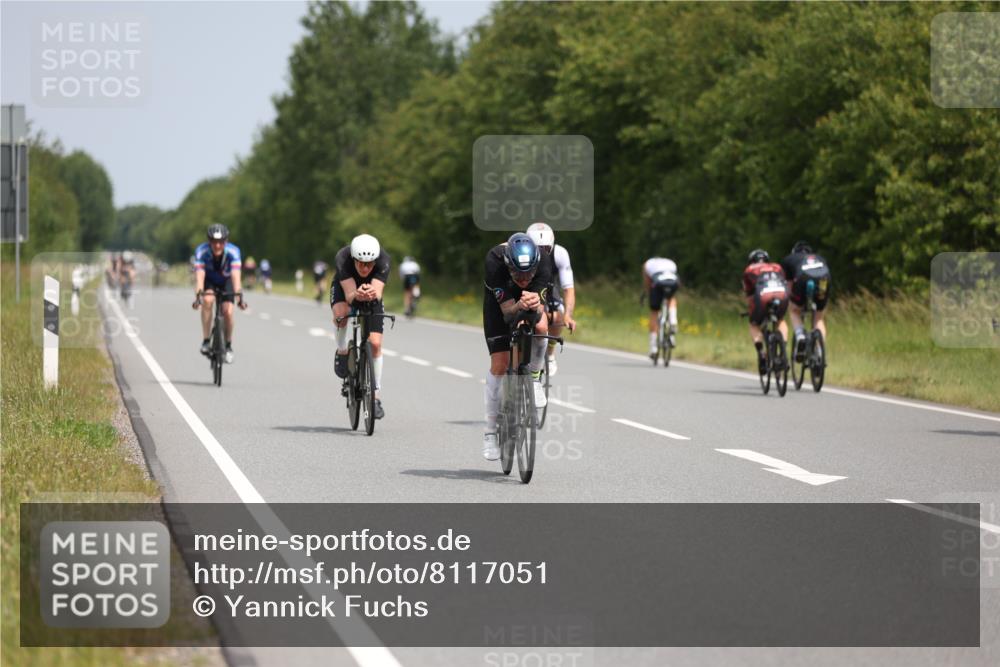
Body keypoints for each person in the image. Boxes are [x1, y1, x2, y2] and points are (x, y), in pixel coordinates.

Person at [482, 233, 552, 461]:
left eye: (529, 274)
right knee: (500, 365)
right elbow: (507, 312)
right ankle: (490, 433)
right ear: (508, 265)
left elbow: (540, 311)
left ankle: (533, 375)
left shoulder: (542, 259)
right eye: (518, 274)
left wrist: (534, 305)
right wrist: (519, 305)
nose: (524, 279)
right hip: (499, 305)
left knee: (541, 327)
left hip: (529, 299)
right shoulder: (494, 260)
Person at [331, 234, 391, 419]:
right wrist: (356, 294)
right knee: (341, 315)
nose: (365, 268)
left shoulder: (383, 260)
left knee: (375, 344)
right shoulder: (343, 258)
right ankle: (342, 350)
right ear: (354, 259)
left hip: (370, 291)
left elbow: (378, 292)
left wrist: (371, 293)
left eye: (369, 264)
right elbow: (349, 295)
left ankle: (375, 397)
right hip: (346, 288)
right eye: (361, 263)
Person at [191, 224, 246, 363]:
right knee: (208, 301)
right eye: (214, 242)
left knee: (227, 311)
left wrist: (239, 296)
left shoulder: (233, 251)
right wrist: (198, 296)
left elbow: (235, 276)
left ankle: (228, 345)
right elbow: (199, 276)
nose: (217, 246)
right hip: (209, 280)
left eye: (221, 242)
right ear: (209, 241)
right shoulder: (201, 251)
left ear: (225, 242)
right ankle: (206, 340)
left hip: (226, 280)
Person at [526, 222, 576, 376]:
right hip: (526, 286)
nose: (542, 253)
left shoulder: (560, 253)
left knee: (559, 315)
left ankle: (550, 353)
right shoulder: (521, 252)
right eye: (537, 249)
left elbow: (568, 289)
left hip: (548, 287)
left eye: (546, 249)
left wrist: (568, 314)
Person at [781, 241, 832, 361]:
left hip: (802, 278)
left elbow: (789, 287)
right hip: (824, 279)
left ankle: (800, 336)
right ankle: (820, 351)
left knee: (794, 310)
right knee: (819, 317)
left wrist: (793, 302)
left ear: (794, 252)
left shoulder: (789, 259)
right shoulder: (819, 257)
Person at [742, 249, 789, 374]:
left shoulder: (749, 269)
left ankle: (761, 352)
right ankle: (782, 350)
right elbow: (784, 282)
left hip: (763, 295)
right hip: (781, 293)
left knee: (754, 324)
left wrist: (751, 311)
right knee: (780, 320)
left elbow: (750, 296)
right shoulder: (777, 266)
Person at [642, 256, 679, 360]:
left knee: (654, 312)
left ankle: (653, 347)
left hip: (658, 282)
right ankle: (673, 320)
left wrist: (648, 293)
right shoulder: (671, 262)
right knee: (671, 298)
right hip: (672, 281)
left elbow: (648, 282)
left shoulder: (647, 264)